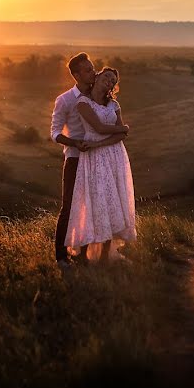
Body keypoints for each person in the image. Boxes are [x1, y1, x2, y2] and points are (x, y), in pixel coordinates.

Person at [50, 53, 127, 266]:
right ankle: (61, 256)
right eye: (86, 70)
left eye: (92, 68)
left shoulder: (100, 97)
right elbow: (54, 132)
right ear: (75, 75)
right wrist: (74, 143)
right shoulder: (65, 100)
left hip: (101, 158)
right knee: (69, 206)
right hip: (76, 157)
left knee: (97, 205)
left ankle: (93, 254)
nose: (92, 72)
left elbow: (109, 119)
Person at [64, 67, 136, 262]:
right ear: (97, 77)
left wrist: (101, 143)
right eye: (107, 77)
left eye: (113, 80)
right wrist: (122, 128)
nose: (110, 82)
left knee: (112, 201)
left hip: (114, 155)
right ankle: (83, 253)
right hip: (94, 158)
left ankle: (105, 254)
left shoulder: (114, 104)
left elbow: (120, 136)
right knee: (93, 201)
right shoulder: (83, 103)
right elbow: (99, 127)